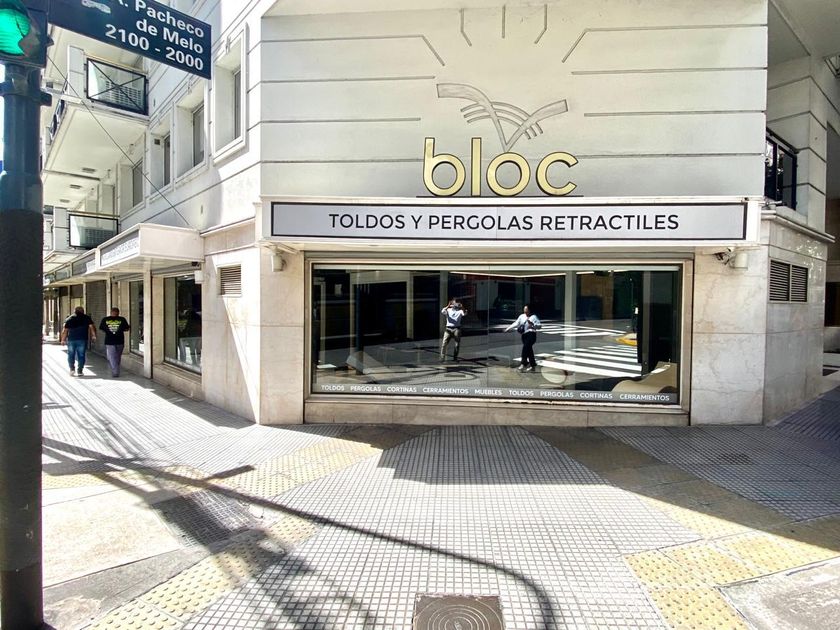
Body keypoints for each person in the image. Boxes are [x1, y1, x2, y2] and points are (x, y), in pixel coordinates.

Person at [60, 306, 96, 376]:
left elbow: (65, 330)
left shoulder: (69, 318)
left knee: (71, 355)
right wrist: (93, 335)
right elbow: (91, 327)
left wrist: (63, 340)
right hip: (82, 339)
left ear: (75, 311)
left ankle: (72, 369)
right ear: (83, 311)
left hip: (71, 340)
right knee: (81, 355)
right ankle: (80, 371)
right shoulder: (86, 318)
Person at [504, 304, 541, 372]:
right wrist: (508, 328)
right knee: (529, 350)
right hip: (524, 335)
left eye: (526, 310)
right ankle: (533, 366)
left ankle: (523, 364)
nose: (525, 311)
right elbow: (516, 323)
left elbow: (540, 326)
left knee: (525, 348)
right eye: (524, 310)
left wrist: (533, 325)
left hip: (531, 334)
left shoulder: (534, 317)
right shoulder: (522, 316)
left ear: (529, 310)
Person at [99, 307, 131, 377]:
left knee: (114, 356)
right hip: (117, 341)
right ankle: (115, 371)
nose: (115, 313)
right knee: (116, 356)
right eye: (115, 312)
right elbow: (126, 328)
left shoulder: (106, 319)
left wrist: (108, 331)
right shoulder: (121, 319)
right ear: (118, 313)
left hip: (111, 340)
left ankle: (115, 370)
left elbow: (101, 328)